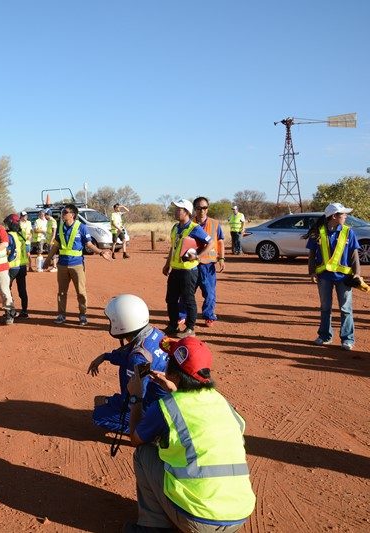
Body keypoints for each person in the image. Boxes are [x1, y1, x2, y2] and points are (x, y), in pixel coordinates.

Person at [124, 336, 255, 532]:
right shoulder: (222, 402)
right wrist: (175, 390)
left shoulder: (167, 407)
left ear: (173, 373)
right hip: (239, 516)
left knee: (144, 453)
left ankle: (151, 527)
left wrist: (136, 397)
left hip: (200, 520)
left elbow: (135, 439)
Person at [87, 294, 168, 434]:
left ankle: (153, 433)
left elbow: (135, 398)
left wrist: (108, 401)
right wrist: (106, 356)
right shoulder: (155, 333)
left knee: (98, 416)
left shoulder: (138, 360)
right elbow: (130, 353)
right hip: (167, 401)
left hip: (153, 409)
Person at [44, 203, 112, 326]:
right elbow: (56, 245)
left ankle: (82, 315)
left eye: (65, 212)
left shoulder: (82, 227)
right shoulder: (60, 227)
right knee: (62, 292)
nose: (62, 214)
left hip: (77, 265)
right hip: (62, 265)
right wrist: (47, 259)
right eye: (62, 212)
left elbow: (89, 244)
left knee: (81, 292)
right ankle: (61, 315)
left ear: (73, 215)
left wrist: (101, 252)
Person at [306, 202, 361, 350]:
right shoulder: (317, 232)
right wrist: (311, 272)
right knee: (325, 308)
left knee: (345, 309)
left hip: (344, 278)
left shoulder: (348, 232)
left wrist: (357, 274)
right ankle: (325, 336)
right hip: (324, 277)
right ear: (334, 216)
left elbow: (354, 255)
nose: (346, 216)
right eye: (343, 214)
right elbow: (312, 255)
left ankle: (347, 339)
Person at [162, 199, 212, 338]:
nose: (176, 211)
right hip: (175, 270)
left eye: (179, 209)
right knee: (171, 299)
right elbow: (173, 247)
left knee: (188, 299)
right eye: (176, 209)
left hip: (188, 271)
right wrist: (167, 264)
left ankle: (190, 328)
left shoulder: (195, 228)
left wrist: (198, 257)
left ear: (187, 212)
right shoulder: (175, 227)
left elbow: (210, 243)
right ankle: (173, 325)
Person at [190, 196, 225, 328]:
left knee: (209, 292)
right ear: (195, 209)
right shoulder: (189, 224)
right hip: (191, 264)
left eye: (204, 208)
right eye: (199, 208)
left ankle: (209, 315)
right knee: (187, 292)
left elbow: (220, 241)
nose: (202, 211)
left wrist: (221, 258)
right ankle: (182, 315)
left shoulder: (215, 224)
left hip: (208, 264)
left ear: (208, 208)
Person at [4, 214, 30, 318]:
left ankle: (10, 311)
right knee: (22, 289)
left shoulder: (9, 236)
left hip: (11, 266)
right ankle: (24, 311)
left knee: (6, 289)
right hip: (22, 266)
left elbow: (7, 250)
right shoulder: (22, 233)